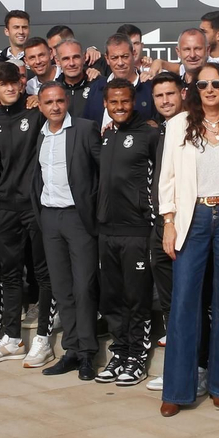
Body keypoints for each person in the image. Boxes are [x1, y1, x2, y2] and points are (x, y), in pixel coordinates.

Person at [158, 63, 219, 416]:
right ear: (194, 89)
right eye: (203, 84)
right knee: (183, 305)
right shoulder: (178, 124)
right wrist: (168, 221)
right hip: (190, 219)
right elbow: (167, 178)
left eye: (216, 83)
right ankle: (176, 390)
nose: (209, 89)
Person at [93, 79, 161, 386]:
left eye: (124, 102)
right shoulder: (105, 135)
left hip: (137, 230)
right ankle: (119, 352)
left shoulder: (150, 134)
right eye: (113, 102)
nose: (119, 107)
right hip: (107, 230)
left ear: (133, 102)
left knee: (137, 298)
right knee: (113, 298)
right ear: (106, 104)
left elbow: (160, 181)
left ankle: (137, 357)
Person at [0, 61, 48, 365]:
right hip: (5, 206)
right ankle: (12, 338)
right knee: (9, 273)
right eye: (2, 83)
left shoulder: (36, 112)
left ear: (22, 84)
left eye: (13, 83)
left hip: (34, 205)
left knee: (43, 273)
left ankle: (44, 338)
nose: (9, 88)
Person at [34, 82, 101, 381]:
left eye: (60, 101)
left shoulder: (85, 129)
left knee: (84, 287)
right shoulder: (40, 134)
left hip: (78, 218)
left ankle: (87, 353)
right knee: (62, 288)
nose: (55, 107)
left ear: (67, 101)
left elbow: (101, 171)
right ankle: (71, 351)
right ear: (40, 105)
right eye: (49, 102)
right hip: (50, 218)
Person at [142, 70, 188, 393]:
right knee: (171, 302)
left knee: (188, 302)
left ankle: (191, 369)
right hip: (161, 223)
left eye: (170, 94)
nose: (166, 100)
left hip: (185, 225)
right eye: (159, 96)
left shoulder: (191, 127)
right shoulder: (158, 130)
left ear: (182, 93)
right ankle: (175, 367)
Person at [83, 33, 154, 124]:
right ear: (107, 59)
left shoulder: (149, 88)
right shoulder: (96, 88)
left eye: (125, 57)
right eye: (114, 58)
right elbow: (87, 126)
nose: (120, 63)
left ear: (133, 54)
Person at [51, 40, 95, 115]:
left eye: (76, 57)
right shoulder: (52, 90)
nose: (71, 63)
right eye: (66, 59)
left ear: (84, 58)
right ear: (58, 61)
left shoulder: (99, 85)